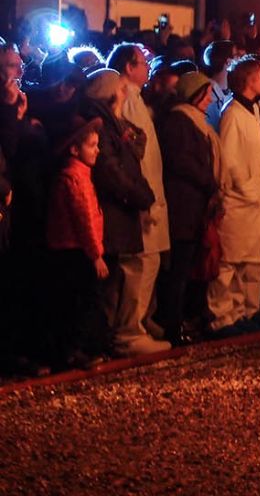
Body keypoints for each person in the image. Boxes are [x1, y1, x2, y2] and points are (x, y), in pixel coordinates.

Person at [80, 68, 160, 356]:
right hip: (116, 210)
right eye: (122, 88)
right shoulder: (102, 125)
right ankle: (117, 338)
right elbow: (112, 171)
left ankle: (116, 336)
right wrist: (141, 195)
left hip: (122, 209)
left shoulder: (114, 123)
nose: (126, 93)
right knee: (116, 279)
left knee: (123, 275)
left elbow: (133, 152)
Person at [107, 43, 171, 352]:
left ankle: (140, 321)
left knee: (150, 261)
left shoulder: (136, 98)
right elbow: (138, 156)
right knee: (142, 264)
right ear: (129, 68)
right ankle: (130, 330)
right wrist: (145, 198)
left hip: (149, 193)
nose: (147, 68)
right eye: (142, 63)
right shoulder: (128, 99)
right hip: (143, 196)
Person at [208, 55, 260, 337]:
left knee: (245, 260)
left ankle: (239, 312)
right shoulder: (234, 113)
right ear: (249, 80)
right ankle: (221, 317)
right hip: (239, 200)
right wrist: (246, 187)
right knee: (229, 263)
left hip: (254, 200)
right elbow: (231, 159)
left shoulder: (255, 110)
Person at [155, 72, 221, 344]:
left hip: (194, 209)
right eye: (205, 94)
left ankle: (185, 320)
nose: (208, 100)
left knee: (188, 270)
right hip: (183, 209)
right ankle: (172, 326)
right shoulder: (178, 122)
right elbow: (181, 161)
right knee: (178, 273)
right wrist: (209, 180)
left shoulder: (194, 121)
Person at [45, 117, 110, 369]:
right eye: (92, 145)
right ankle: (75, 350)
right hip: (75, 250)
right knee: (81, 302)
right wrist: (96, 255)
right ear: (74, 149)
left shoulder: (79, 175)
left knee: (78, 301)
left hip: (73, 248)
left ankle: (76, 349)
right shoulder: (75, 178)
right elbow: (84, 219)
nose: (98, 150)